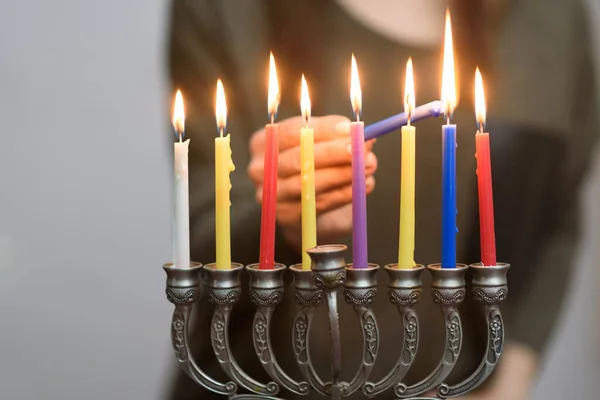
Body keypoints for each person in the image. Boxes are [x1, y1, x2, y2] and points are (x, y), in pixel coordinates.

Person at [166, 0, 598, 399]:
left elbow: (556, 213)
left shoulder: (550, 14)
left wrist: (508, 381)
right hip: (250, 385)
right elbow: (203, 221)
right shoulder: (230, 10)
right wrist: (281, 216)